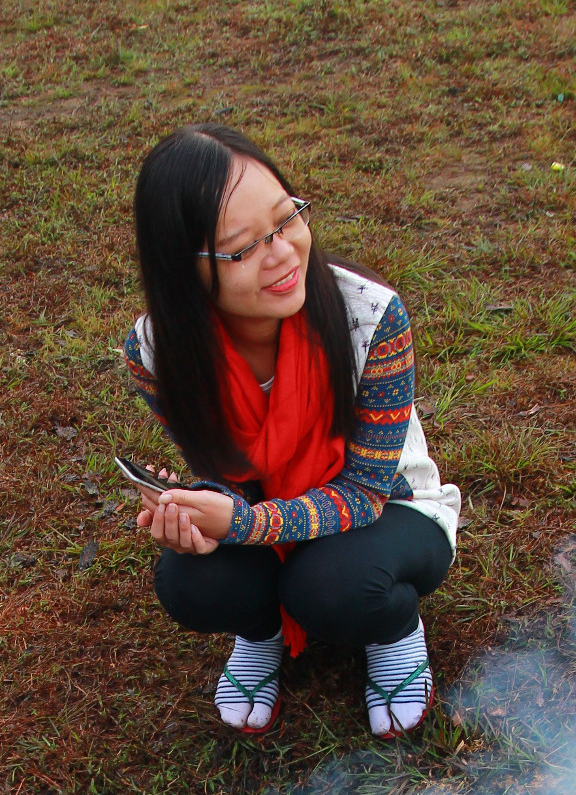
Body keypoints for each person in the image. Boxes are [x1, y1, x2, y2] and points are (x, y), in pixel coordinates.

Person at [125, 123, 461, 739]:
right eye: (243, 248)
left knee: (338, 587)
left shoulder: (372, 317)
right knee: (188, 579)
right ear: (184, 270)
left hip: (391, 507)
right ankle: (263, 632)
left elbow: (366, 492)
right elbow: (226, 472)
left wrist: (243, 525)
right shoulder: (156, 354)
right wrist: (193, 511)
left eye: (287, 220)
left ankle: (393, 631)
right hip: (268, 507)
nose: (282, 254)